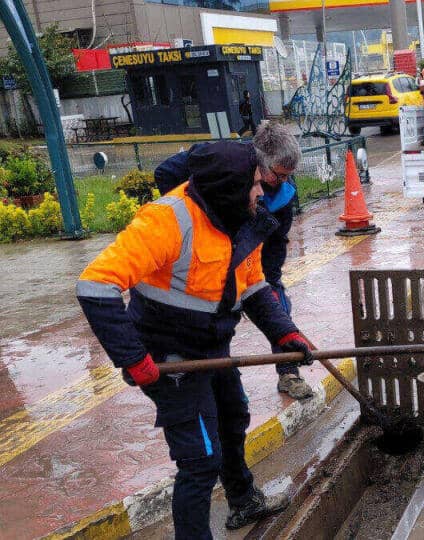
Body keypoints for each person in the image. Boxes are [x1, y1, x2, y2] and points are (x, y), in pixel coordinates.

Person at [77, 141, 314, 538]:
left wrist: (283, 331)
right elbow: (94, 286)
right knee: (200, 460)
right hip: (167, 357)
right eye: (256, 184)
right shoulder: (167, 220)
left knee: (233, 416)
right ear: (230, 188)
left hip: (210, 347)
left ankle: (244, 501)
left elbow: (253, 285)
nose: (263, 192)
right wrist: (134, 358)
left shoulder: (243, 218)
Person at [155, 123, 313, 400]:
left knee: (274, 300)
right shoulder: (220, 159)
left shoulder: (283, 194)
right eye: (279, 175)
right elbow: (164, 173)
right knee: (214, 308)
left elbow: (277, 240)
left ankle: (289, 371)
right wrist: (199, 214)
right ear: (259, 163)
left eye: (289, 176)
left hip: (254, 247)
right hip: (213, 246)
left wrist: (269, 277)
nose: (284, 182)